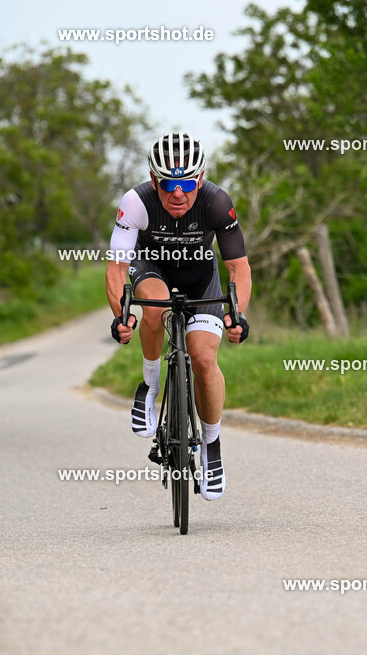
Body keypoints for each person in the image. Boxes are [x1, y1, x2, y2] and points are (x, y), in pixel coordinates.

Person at [104, 132, 251, 501]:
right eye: (168, 183)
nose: (178, 193)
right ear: (154, 181)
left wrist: (239, 316)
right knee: (152, 309)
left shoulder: (217, 203)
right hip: (153, 269)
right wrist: (120, 317)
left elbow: (238, 268)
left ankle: (212, 448)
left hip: (202, 278)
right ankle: (150, 385)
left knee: (203, 358)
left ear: (200, 179)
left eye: (187, 183)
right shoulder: (135, 202)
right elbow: (116, 269)